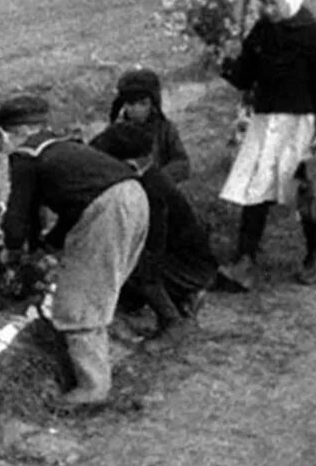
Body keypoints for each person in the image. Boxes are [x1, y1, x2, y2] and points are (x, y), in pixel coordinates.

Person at [0, 95, 148, 406]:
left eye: (4, 136)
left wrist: (11, 251)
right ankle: (105, 357)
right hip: (135, 197)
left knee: (78, 300)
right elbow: (73, 205)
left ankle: (92, 389)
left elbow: (19, 211)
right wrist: (47, 245)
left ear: (16, 132)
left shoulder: (26, 156)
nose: (5, 143)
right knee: (103, 285)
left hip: (108, 209)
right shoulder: (63, 148)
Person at [215, 0, 316, 290]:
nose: (269, 9)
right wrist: (225, 62)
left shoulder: (312, 33)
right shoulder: (261, 31)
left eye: (275, 2)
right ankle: (245, 259)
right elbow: (246, 75)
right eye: (264, 2)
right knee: (256, 188)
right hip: (266, 120)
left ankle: (315, 254)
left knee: (306, 190)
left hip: (301, 122)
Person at [90, 121, 219, 347]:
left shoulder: (151, 191)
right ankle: (179, 298)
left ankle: (173, 321)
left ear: (128, 164)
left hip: (187, 268)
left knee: (130, 260)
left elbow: (152, 246)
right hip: (182, 262)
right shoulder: (149, 178)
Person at [106, 68, 191, 182]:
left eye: (142, 103)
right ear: (123, 104)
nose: (136, 110)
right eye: (130, 103)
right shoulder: (115, 133)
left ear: (153, 104)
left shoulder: (165, 130)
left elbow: (182, 164)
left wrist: (159, 178)